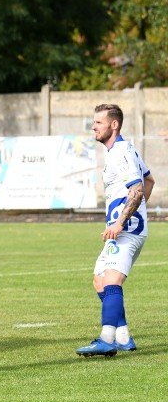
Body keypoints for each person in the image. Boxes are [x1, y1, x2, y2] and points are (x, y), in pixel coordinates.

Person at [76, 104, 155, 357]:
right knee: (99, 279)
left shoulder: (120, 153)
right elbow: (149, 180)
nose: (93, 127)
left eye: (98, 122)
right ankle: (122, 337)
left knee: (112, 280)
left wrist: (123, 221)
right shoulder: (123, 150)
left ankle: (106, 338)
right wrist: (137, 213)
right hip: (126, 228)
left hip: (126, 230)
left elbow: (138, 189)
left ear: (114, 125)